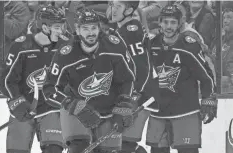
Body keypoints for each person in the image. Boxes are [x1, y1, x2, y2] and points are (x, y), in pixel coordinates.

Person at [43, 8, 138, 153]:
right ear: (77, 29)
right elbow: (49, 88)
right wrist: (73, 105)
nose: (91, 33)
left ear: (99, 28)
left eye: (94, 28)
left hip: (109, 110)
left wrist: (125, 103)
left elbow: (128, 79)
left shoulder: (115, 46)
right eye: (85, 28)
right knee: (78, 148)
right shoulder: (65, 53)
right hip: (77, 111)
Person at [146, 5, 217, 153]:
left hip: (185, 112)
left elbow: (206, 76)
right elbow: (141, 74)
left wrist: (208, 99)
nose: (169, 26)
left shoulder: (189, 45)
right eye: (165, 22)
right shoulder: (151, 45)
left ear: (179, 24)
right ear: (159, 22)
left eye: (173, 22)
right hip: (159, 113)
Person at [0, 5, 70, 153]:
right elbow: (6, 80)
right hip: (24, 107)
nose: (61, 31)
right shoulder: (21, 45)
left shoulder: (66, 46)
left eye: (62, 26)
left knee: (53, 149)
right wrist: (16, 101)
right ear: (44, 27)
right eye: (57, 27)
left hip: (52, 108)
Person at [109, 1, 160, 152]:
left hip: (141, 95)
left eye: (119, 7)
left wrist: (133, 96)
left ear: (129, 10)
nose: (113, 10)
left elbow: (142, 67)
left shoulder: (131, 30)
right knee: (119, 144)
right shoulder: (121, 30)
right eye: (113, 5)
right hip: (131, 94)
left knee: (125, 145)